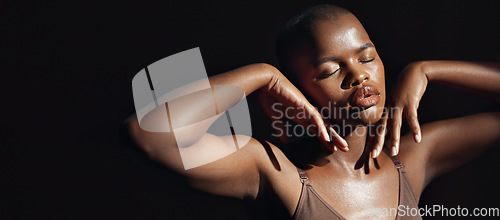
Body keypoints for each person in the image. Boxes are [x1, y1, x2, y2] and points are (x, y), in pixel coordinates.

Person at [125, 4, 500, 219]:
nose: (358, 75)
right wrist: (263, 76)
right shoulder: (275, 172)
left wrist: (427, 69)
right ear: (297, 89)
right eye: (329, 70)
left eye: (367, 57)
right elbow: (148, 136)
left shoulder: (412, 157)